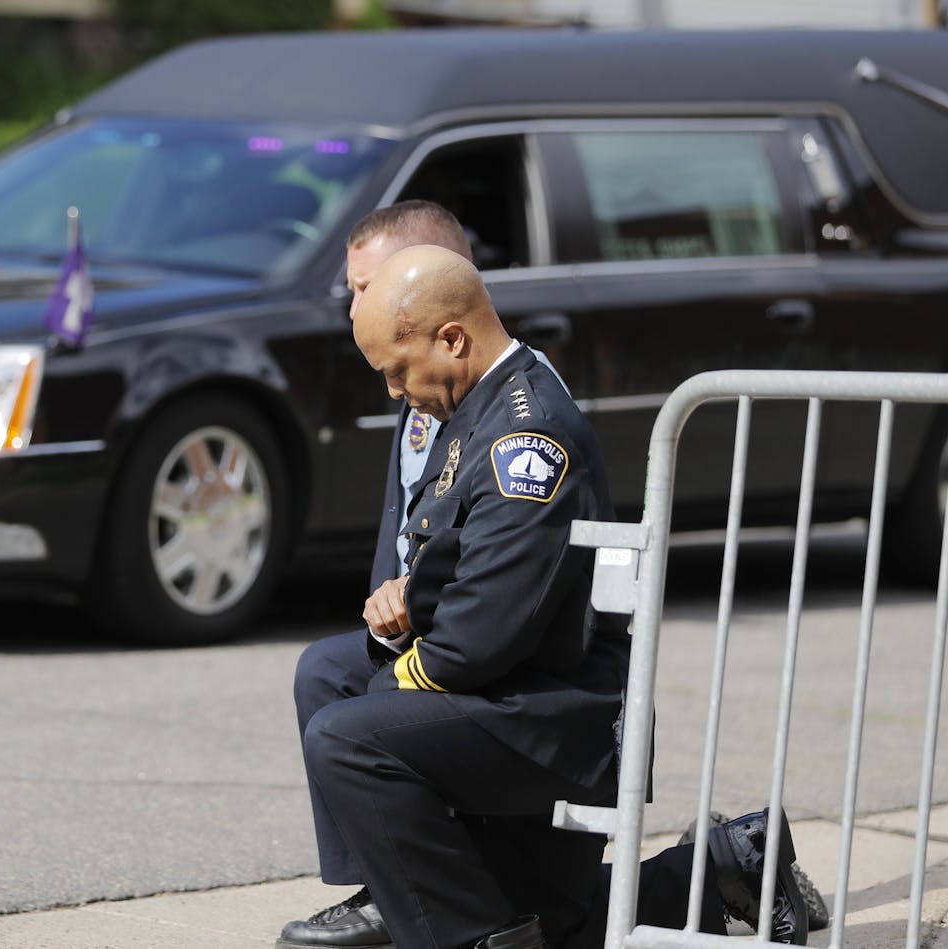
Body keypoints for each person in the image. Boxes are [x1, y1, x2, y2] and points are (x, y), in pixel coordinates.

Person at [278, 237, 814, 949]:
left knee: (348, 737)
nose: (394, 389)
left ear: (452, 337)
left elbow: (475, 641)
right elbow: (451, 562)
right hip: (518, 688)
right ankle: (399, 893)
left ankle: (463, 931)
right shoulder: (473, 403)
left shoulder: (525, 437)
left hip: (560, 717)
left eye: (399, 369)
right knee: (330, 672)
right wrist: (404, 612)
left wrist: (392, 675)